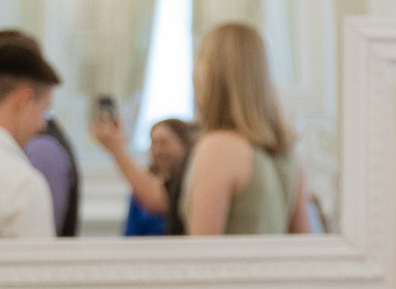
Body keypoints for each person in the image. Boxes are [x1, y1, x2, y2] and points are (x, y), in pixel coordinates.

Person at [179, 22, 312, 235]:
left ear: (212, 76)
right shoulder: (286, 154)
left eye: (200, 60)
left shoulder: (218, 149)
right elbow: (304, 245)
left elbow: (202, 258)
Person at [0, 30, 61, 239]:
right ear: (23, 100)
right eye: (43, 110)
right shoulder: (21, 186)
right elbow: (35, 271)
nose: (42, 125)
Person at [89, 111, 193, 236]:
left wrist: (116, 149)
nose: (158, 150)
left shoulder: (187, 186)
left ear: (184, 144)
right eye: (154, 143)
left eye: (164, 142)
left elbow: (159, 201)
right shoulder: (139, 192)